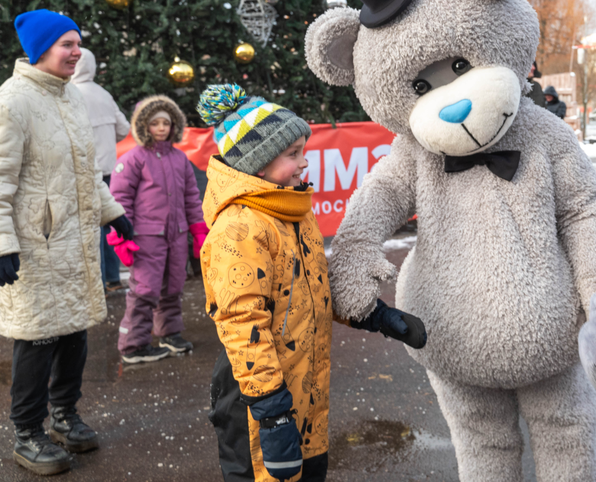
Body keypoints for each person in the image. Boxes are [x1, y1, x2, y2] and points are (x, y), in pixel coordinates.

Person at [196, 84, 426, 482]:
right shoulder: (240, 229)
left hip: (304, 390)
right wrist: (271, 414)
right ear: (259, 163)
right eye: (292, 154)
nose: (305, 163)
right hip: (258, 399)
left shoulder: (293, 211)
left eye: (303, 150)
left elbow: (311, 291)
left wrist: (373, 315)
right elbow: (241, 324)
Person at [0, 10, 135, 476]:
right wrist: (0, 244)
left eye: (78, 44)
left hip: (75, 243)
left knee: (74, 332)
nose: (76, 52)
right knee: (37, 339)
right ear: (40, 50)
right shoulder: (11, 102)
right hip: (33, 248)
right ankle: (28, 434)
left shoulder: (71, 98)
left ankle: (64, 415)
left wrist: (114, 214)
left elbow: (87, 173)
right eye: (66, 44)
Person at [108, 95, 208, 364]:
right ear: (143, 126)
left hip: (176, 235)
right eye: (155, 123)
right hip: (145, 238)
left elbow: (191, 197)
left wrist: (198, 231)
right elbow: (118, 200)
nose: (162, 128)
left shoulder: (180, 159)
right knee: (145, 289)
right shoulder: (132, 160)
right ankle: (134, 344)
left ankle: (170, 333)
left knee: (173, 286)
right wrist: (120, 238)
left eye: (166, 122)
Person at [72, 48, 132, 295]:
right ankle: (113, 278)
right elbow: (123, 128)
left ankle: (94, 281)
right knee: (109, 221)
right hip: (108, 166)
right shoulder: (103, 94)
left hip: (84, 169)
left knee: (87, 225)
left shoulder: (69, 93)